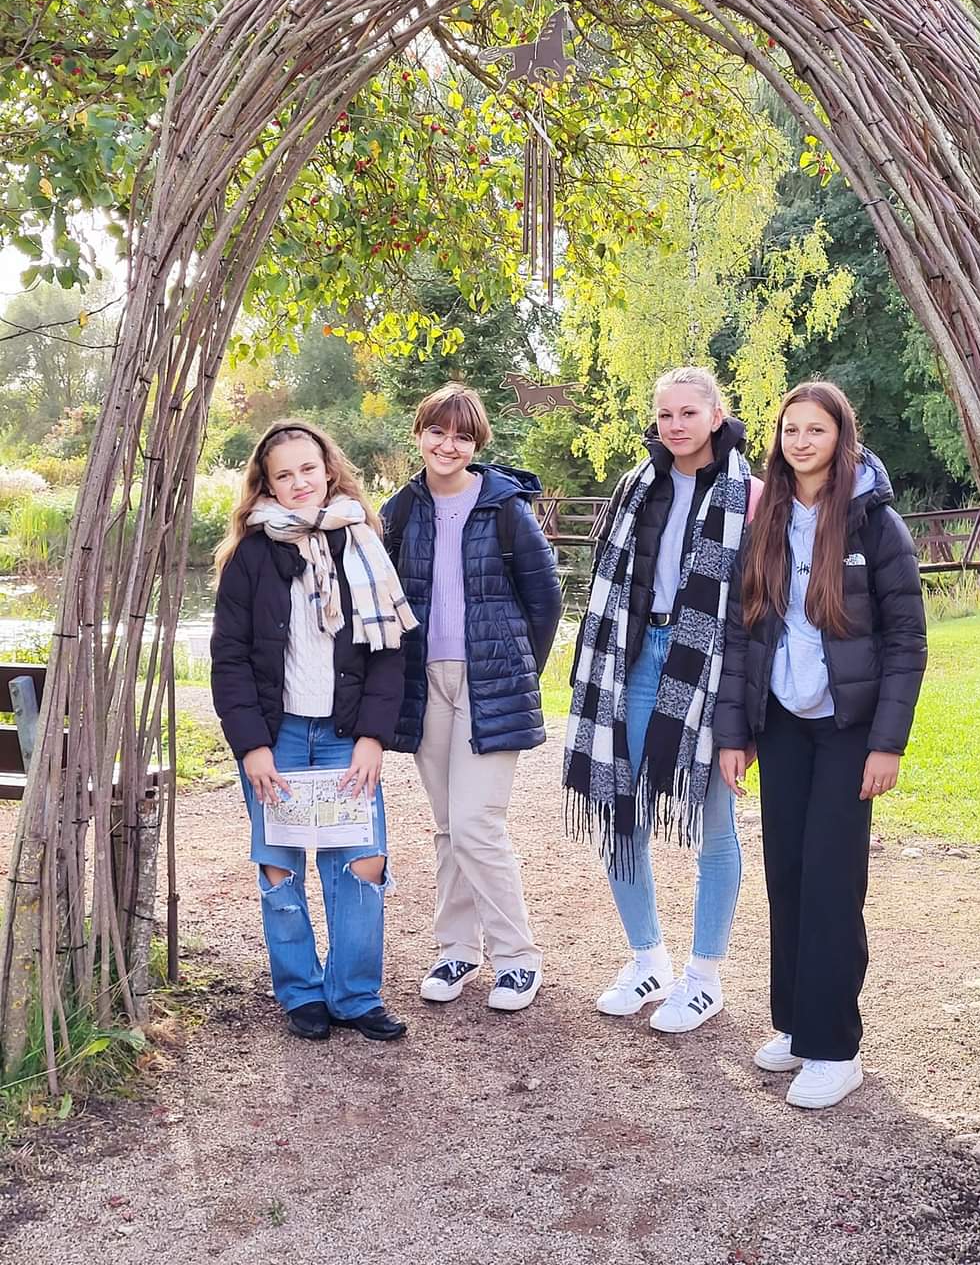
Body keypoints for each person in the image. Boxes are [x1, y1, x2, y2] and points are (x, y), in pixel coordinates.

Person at [715, 380, 927, 1108]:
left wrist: (887, 744)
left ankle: (836, 1047)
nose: (801, 442)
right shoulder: (767, 519)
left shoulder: (875, 524)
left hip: (847, 728)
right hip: (781, 722)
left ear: (842, 437)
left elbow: (907, 639)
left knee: (833, 882)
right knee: (788, 874)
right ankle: (796, 1025)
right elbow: (741, 633)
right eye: (791, 430)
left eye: (816, 429)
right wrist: (736, 732)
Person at [564, 366, 763, 1033]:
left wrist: (742, 714)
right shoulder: (636, 486)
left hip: (708, 667)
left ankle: (704, 978)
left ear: (715, 416)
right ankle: (648, 958)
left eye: (688, 413)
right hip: (633, 661)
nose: (675, 425)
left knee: (713, 827)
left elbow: (757, 610)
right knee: (621, 814)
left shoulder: (751, 495)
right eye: (665, 414)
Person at [211, 420, 415, 1043]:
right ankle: (301, 992)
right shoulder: (249, 556)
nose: (299, 482)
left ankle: (354, 995)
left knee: (363, 863)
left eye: (308, 469)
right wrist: (252, 746)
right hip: (277, 738)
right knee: (280, 867)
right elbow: (229, 659)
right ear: (266, 485)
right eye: (284, 475)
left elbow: (388, 653)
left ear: (328, 470)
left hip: (344, 734)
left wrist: (373, 737)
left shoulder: (362, 544)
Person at [382, 384, 562, 1012]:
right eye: (438, 431)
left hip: (489, 682)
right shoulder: (399, 512)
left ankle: (517, 957)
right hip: (424, 679)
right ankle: (456, 949)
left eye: (462, 436)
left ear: (476, 443)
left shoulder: (505, 508)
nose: (448, 445)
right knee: (447, 826)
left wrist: (515, 672)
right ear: (420, 434)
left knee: (475, 824)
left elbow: (545, 601)